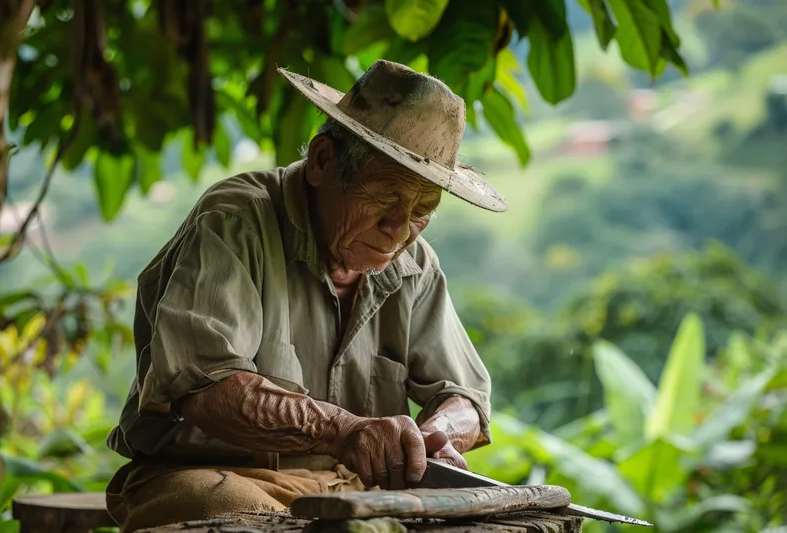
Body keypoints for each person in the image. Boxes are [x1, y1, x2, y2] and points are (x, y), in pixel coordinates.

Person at [105, 59, 508, 533]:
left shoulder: (414, 265)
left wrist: (432, 436)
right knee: (239, 514)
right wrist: (346, 431)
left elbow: (467, 401)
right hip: (213, 476)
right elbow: (205, 387)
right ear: (322, 162)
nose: (400, 229)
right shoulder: (235, 222)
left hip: (352, 491)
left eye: (422, 211)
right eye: (385, 197)